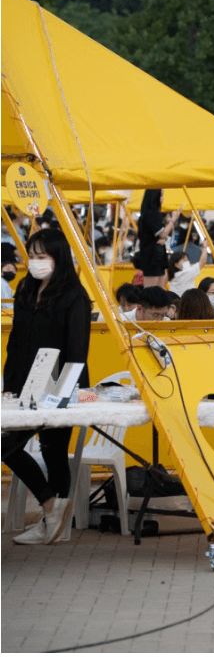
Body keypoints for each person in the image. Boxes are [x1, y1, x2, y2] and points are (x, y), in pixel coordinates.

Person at [2, 229, 90, 544]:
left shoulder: (74, 296)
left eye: (43, 256)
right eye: (32, 256)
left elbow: (77, 350)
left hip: (58, 388)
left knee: (54, 453)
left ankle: (54, 527)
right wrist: (9, 381)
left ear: (58, 257)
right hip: (21, 385)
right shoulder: (25, 288)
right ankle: (53, 509)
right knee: (6, 444)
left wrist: (67, 392)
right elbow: (15, 340)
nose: (36, 262)